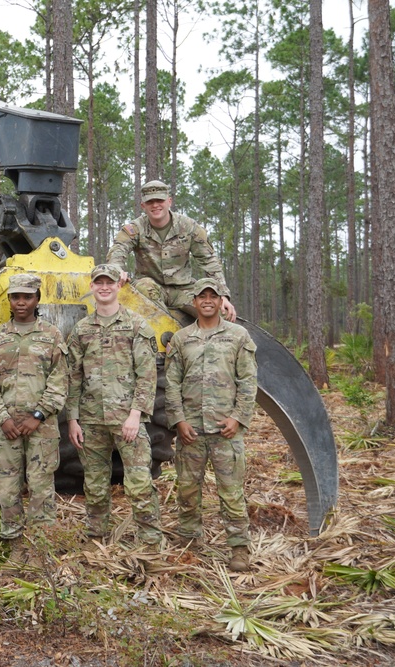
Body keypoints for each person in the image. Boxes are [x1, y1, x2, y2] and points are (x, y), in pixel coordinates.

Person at [164, 277, 258, 572]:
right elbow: (171, 384)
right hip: (190, 431)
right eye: (201, 296)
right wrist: (178, 420)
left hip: (225, 431)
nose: (207, 300)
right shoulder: (181, 340)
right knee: (188, 491)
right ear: (194, 302)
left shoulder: (238, 336)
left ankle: (239, 548)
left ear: (221, 302)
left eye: (213, 296)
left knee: (231, 493)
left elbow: (248, 382)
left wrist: (238, 418)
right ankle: (190, 542)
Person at [67, 264, 162, 550]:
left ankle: (149, 542)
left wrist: (136, 415)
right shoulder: (82, 330)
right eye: (99, 283)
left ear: (118, 286)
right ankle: (97, 538)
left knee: (139, 485)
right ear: (92, 287)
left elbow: (147, 374)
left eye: (109, 282)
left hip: (127, 419)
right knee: (95, 485)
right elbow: (72, 376)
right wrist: (72, 419)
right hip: (91, 419)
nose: (104, 287)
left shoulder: (136, 326)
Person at [0, 273, 68, 558]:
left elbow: (60, 380)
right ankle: (14, 545)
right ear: (9, 300)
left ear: (37, 300)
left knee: (41, 487)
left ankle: (42, 548)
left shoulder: (52, 335)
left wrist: (38, 415)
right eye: (16, 297)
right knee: (7, 489)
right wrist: (2, 418)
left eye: (27, 297)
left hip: (41, 428)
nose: (21, 302)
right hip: (6, 427)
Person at [106, 180, 238, 322]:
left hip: (184, 289)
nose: (155, 205)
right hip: (150, 289)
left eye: (160, 200)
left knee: (221, 313)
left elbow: (209, 260)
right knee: (144, 288)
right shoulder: (135, 229)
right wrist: (116, 269)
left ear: (169, 201)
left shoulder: (188, 227)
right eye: (150, 202)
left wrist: (222, 294)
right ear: (143, 206)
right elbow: (118, 251)